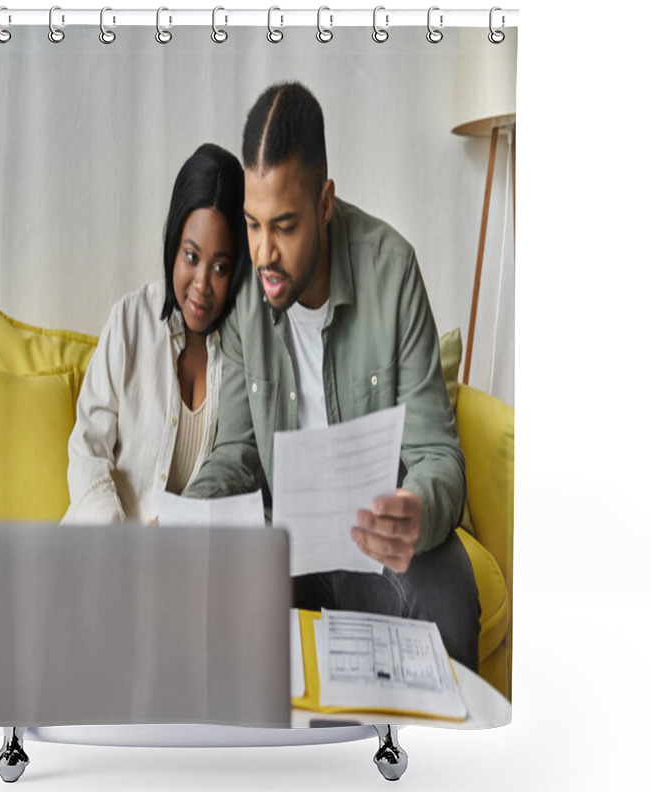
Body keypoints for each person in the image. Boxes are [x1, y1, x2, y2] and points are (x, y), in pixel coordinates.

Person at [185, 83, 481, 671]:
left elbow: (438, 454)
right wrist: (186, 516)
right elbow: (238, 451)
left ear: (325, 202)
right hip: (284, 544)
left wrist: (416, 509)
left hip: (373, 544)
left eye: (285, 226)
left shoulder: (391, 270)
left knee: (447, 590)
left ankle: (443, 758)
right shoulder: (247, 293)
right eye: (252, 224)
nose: (263, 254)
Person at [62, 143, 248, 525]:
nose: (201, 285)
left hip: (188, 566)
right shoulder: (129, 322)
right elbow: (87, 454)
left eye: (220, 267)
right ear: (173, 246)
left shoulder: (243, 352)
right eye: (191, 257)